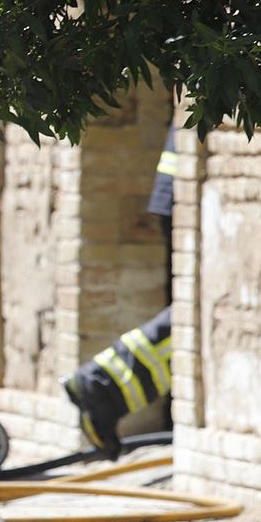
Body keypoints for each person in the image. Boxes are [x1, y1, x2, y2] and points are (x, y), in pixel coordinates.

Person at [63, 126, 176, 458]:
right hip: (186, 190)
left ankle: (101, 386)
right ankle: (100, 386)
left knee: (195, 318)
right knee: (198, 317)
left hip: (180, 188)